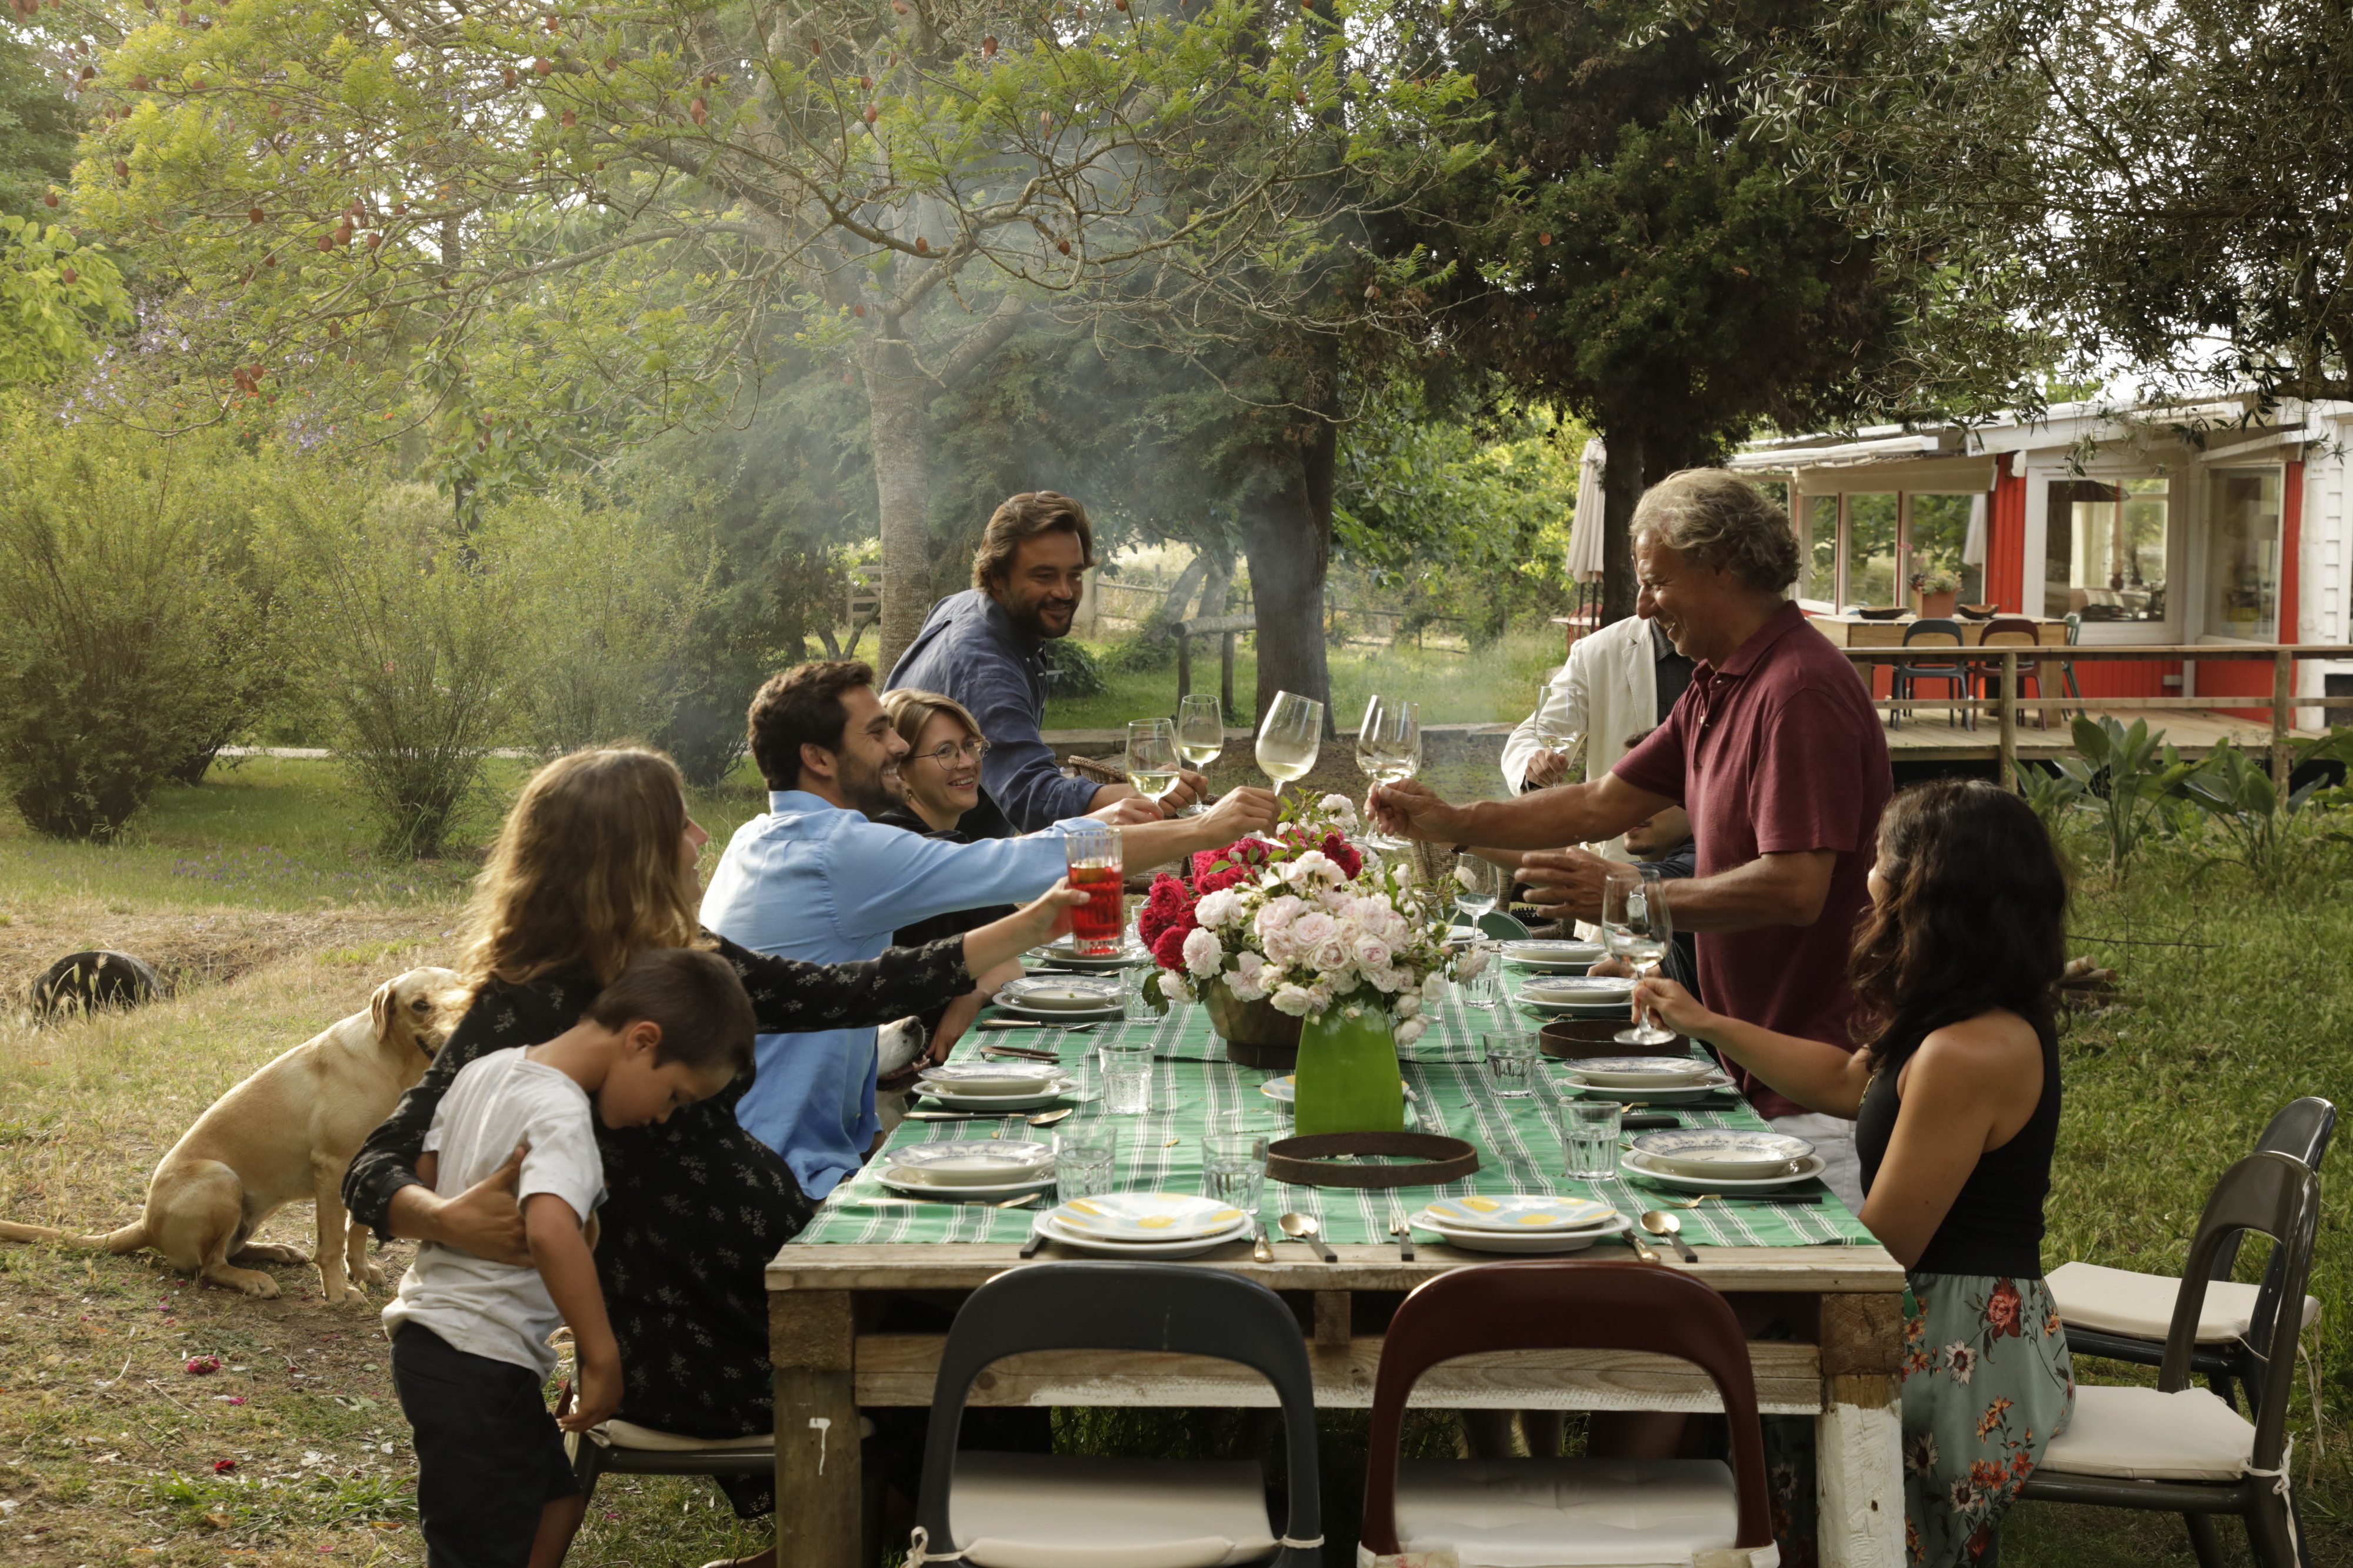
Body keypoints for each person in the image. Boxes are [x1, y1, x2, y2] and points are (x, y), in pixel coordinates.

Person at [344, 746, 1085, 1563]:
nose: (701, 834)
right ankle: (951, 1544)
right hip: (695, 1326)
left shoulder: (679, 964)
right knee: (951, 1359)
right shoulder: (525, 1008)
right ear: (626, 857)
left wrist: (1033, 922)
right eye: (678, 822)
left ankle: (957, 1541)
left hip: (766, 1275)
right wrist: (443, 1215)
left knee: (971, 1327)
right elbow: (377, 1161)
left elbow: (843, 988)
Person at [1370, 469, 1891, 1208]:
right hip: (1747, 1059)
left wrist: (1635, 895)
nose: (1643, 605)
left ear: (1721, 567)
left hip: (1810, 1082)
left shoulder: (1797, 690)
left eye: (1656, 582)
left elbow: (1796, 887)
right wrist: (1454, 822)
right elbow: (1600, 801)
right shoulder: (1722, 680)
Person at [1631, 780, 2075, 1566]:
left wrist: (1761, 1266)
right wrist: (1701, 1019)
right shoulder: (1964, 1009)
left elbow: (1883, 1251)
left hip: (1950, 1339)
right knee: (1695, 1317)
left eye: (1879, 858)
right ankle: (1658, 1528)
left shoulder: (1968, 1051)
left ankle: (1638, 1527)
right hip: (1937, 1306)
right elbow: (1847, 1081)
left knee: (1689, 1329)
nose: (1865, 875)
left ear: (1926, 888)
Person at [703, 660, 1277, 1196]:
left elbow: (1018, 857)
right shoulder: (835, 851)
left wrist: (1091, 827)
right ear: (818, 758)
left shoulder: (762, 836)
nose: (898, 745)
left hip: (784, 1144)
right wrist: (1206, 827)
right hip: (783, 1165)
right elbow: (1020, 864)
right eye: (877, 733)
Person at [384, 948, 752, 1568]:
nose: (662, 1114)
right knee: (480, 1545)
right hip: (478, 1357)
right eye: (674, 1094)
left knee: (556, 1500)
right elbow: (553, 1231)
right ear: (642, 1039)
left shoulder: (488, 1068)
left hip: (439, 1345)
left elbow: (427, 1168)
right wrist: (602, 1355)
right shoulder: (563, 1114)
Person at [885, 490, 1208, 836]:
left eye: (1074, 574)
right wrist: (1145, 791)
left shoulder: (963, 605)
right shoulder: (985, 670)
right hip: (931, 866)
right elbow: (1034, 800)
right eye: (1044, 576)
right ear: (996, 577)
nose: (1065, 592)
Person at [1499, 612, 1695, 836]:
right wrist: (1534, 766)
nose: (1642, 605)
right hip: (1626, 848)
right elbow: (1534, 734)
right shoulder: (1598, 651)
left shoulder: (1739, 648)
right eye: (1642, 584)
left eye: (1658, 583)